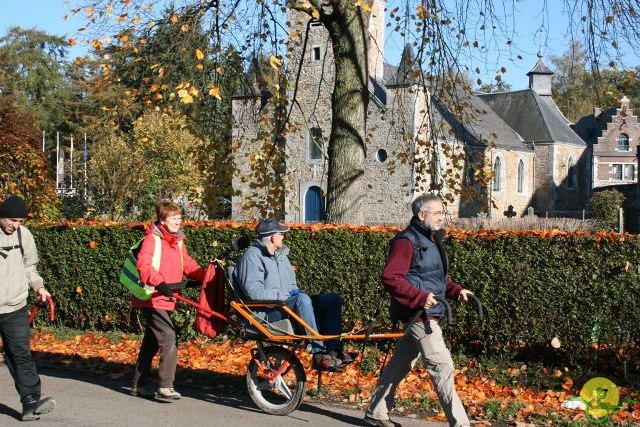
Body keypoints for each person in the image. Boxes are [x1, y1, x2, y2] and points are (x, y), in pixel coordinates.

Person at [365, 193, 472, 427]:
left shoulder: (431, 239)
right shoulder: (406, 241)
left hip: (424, 314)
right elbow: (391, 277)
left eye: (443, 213)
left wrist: (457, 290)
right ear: (421, 215)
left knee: (400, 364)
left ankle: (376, 413)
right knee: (442, 367)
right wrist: (419, 297)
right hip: (418, 316)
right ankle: (461, 424)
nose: (442, 217)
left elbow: (435, 276)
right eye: (437, 213)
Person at [234, 218, 352, 370]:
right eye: (281, 234)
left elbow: (291, 286)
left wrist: (296, 293)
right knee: (301, 300)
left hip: (285, 305)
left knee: (332, 299)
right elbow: (254, 293)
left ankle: (335, 351)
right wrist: (284, 296)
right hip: (267, 312)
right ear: (272, 237)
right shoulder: (251, 257)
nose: (284, 236)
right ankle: (319, 353)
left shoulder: (282, 256)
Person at [131, 200, 205, 400]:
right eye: (174, 218)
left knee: (152, 342)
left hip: (167, 296)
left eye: (180, 218)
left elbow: (187, 264)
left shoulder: (178, 240)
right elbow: (144, 265)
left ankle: (139, 384)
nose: (178, 221)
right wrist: (159, 282)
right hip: (152, 296)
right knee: (169, 336)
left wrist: (205, 275)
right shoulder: (152, 239)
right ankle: (165, 386)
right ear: (163, 220)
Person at [0, 195, 56, 421]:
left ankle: (30, 402)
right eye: (13, 220)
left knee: (21, 355)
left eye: (21, 221)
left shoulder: (24, 235)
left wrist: (39, 287)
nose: (16, 225)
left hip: (15, 306)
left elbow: (29, 267)